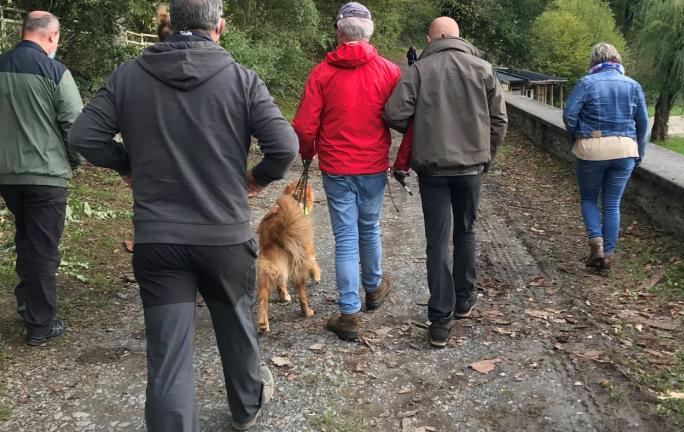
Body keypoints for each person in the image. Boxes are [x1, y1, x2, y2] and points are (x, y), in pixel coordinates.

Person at [69, 0, 298, 430]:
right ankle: (247, 407)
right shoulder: (242, 80)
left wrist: (125, 163)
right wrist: (257, 179)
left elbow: (83, 135)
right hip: (224, 237)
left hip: (159, 241)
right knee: (235, 327)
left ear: (170, 25)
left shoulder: (128, 76)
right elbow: (284, 147)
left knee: (168, 354)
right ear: (220, 27)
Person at [384, 17, 508, 349]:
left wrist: (421, 131)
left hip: (433, 170)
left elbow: (394, 112)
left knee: (437, 241)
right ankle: (465, 299)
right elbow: (499, 119)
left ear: (432, 37)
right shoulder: (482, 68)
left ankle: (440, 320)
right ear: (458, 36)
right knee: (466, 229)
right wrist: (486, 155)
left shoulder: (420, 70)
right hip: (471, 169)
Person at [293, 2, 399, 342]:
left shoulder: (322, 73)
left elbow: (305, 126)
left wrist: (307, 152)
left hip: (337, 167)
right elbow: (400, 116)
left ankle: (349, 312)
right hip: (372, 165)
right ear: (370, 33)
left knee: (346, 238)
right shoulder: (389, 71)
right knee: (369, 227)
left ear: (339, 33)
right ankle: (373, 286)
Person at [0, 11, 82, 346]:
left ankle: (26, 297)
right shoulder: (54, 71)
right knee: (44, 249)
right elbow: (75, 126)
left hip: (7, 175)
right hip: (46, 176)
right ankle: (40, 324)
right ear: (52, 36)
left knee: (26, 235)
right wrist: (74, 162)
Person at [562, 42, 648, 271]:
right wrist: (639, 152)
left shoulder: (586, 83)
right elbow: (643, 124)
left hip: (592, 147)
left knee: (589, 199)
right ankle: (608, 254)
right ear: (617, 60)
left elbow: (569, 115)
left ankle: (596, 242)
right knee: (612, 203)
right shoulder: (633, 85)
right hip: (625, 149)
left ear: (594, 62)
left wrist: (578, 137)